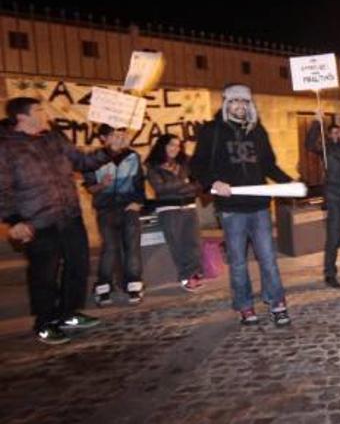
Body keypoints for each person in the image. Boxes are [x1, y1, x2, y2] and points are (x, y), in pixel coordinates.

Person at [0, 97, 120, 344]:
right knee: (44, 274)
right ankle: (45, 322)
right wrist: (13, 221)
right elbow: (3, 188)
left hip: (69, 215)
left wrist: (109, 150)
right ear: (22, 117)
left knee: (78, 265)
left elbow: (83, 161)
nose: (45, 113)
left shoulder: (54, 138)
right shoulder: (7, 147)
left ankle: (68, 313)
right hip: (37, 221)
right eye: (39, 110)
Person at [191, 84, 294, 327]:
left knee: (268, 257)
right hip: (231, 208)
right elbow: (197, 165)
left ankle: (276, 301)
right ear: (227, 104)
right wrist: (213, 182)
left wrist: (289, 183)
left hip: (259, 206)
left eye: (245, 102)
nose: (240, 106)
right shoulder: (212, 131)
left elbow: (269, 165)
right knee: (237, 262)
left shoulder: (258, 131)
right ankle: (245, 305)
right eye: (235, 101)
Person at [84, 124, 146, 306]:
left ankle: (134, 284)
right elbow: (90, 187)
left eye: (122, 134)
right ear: (104, 138)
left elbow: (139, 183)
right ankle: (103, 287)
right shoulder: (92, 159)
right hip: (106, 208)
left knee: (132, 246)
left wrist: (138, 202)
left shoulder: (133, 156)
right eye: (114, 135)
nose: (119, 138)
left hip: (128, 207)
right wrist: (102, 185)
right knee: (110, 247)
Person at [145, 134, 204, 293]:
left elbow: (198, 184)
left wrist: (180, 186)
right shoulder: (153, 166)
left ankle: (194, 273)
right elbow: (160, 188)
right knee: (177, 244)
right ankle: (186, 276)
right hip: (168, 209)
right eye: (171, 145)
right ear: (162, 146)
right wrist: (185, 184)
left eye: (178, 146)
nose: (175, 149)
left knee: (193, 242)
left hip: (189, 207)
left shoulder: (186, 163)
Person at [306, 114, 340, 288]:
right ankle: (330, 273)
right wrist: (316, 123)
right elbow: (310, 145)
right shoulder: (330, 149)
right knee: (334, 237)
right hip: (334, 197)